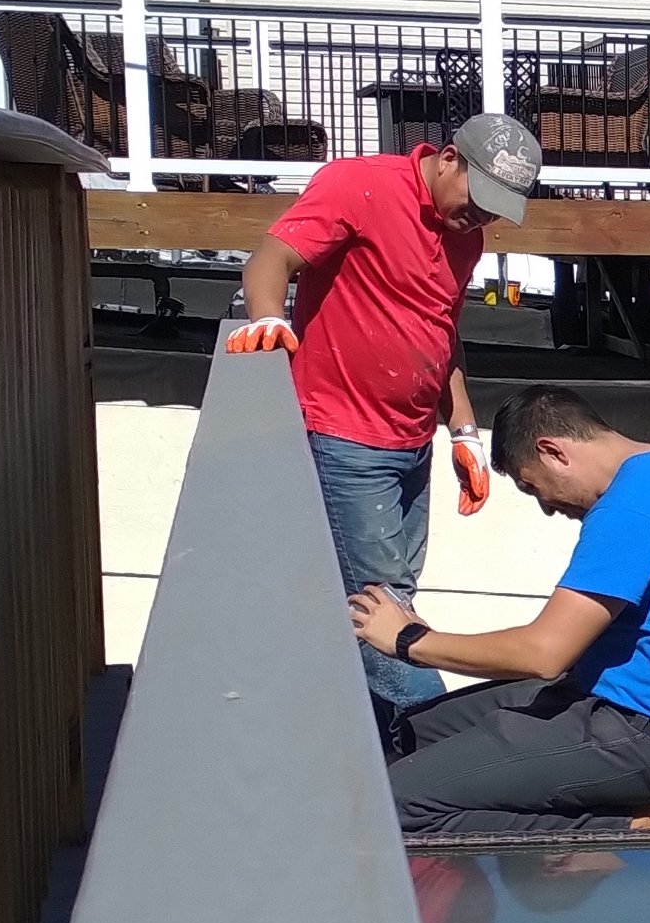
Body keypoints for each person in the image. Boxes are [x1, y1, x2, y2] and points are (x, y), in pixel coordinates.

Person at [227, 112, 541, 713]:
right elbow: (270, 259)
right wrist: (267, 317)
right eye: (478, 197)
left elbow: (440, 332)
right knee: (380, 611)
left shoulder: (463, 235)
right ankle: (432, 743)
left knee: (392, 598)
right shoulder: (360, 186)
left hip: (411, 440)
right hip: (344, 432)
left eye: (496, 208)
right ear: (448, 158)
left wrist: (464, 430)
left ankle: (361, 742)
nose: (481, 216)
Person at [350, 386, 650, 835]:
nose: (545, 507)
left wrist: (410, 642)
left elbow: (544, 654)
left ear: (552, 451)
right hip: (603, 698)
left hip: (640, 736)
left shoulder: (633, 510)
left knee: (390, 806)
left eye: (531, 485)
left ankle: (637, 828)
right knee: (405, 737)